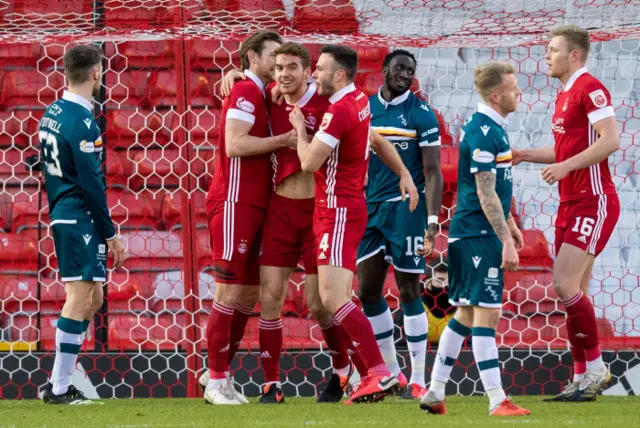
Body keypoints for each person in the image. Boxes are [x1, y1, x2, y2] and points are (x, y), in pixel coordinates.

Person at [289, 44, 418, 403]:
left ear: (340, 75)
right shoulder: (360, 100)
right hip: (346, 207)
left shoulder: (340, 110)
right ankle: (376, 374)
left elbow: (310, 163)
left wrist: (300, 129)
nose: (315, 75)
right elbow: (376, 140)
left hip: (337, 210)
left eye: (321, 69)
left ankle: (378, 373)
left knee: (333, 298)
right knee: (340, 298)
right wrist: (405, 174)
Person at [512, 24, 620, 402]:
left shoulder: (590, 88)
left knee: (563, 284)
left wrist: (566, 167)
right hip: (570, 201)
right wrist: (525, 154)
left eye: (552, 49)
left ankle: (596, 369)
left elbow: (611, 140)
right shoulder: (565, 95)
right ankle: (580, 378)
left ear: (574, 55)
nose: (546, 55)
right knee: (574, 293)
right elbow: (565, 151)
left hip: (594, 199)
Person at [419, 61, 530, 416]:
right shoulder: (484, 131)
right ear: (496, 95)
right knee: (488, 314)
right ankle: (497, 399)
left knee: (465, 313)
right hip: (477, 235)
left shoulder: (491, 127)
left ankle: (435, 391)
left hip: (474, 233)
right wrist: (506, 241)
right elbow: (485, 193)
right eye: (514, 89)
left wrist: (511, 225)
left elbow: (495, 189)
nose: (520, 93)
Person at [202, 30, 297, 406]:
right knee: (227, 294)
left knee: (248, 294)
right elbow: (235, 144)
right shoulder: (243, 90)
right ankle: (214, 380)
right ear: (251, 57)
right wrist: (283, 141)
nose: (277, 63)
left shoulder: (257, 91)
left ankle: (220, 376)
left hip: (256, 205)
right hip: (234, 202)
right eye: (271, 56)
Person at [39, 44, 125, 405]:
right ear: (96, 74)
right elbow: (92, 184)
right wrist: (111, 234)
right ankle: (58, 389)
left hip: (64, 209)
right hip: (79, 216)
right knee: (79, 298)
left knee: (94, 296)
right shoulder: (83, 121)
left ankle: (64, 373)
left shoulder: (52, 111)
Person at [355, 49, 443, 400]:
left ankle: (419, 377)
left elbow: (434, 171)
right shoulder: (365, 108)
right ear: (384, 69)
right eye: (400, 68)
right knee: (368, 292)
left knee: (409, 289)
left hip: (407, 209)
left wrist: (432, 223)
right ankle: (392, 374)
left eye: (411, 70)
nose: (406, 75)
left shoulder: (422, 114)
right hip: (369, 208)